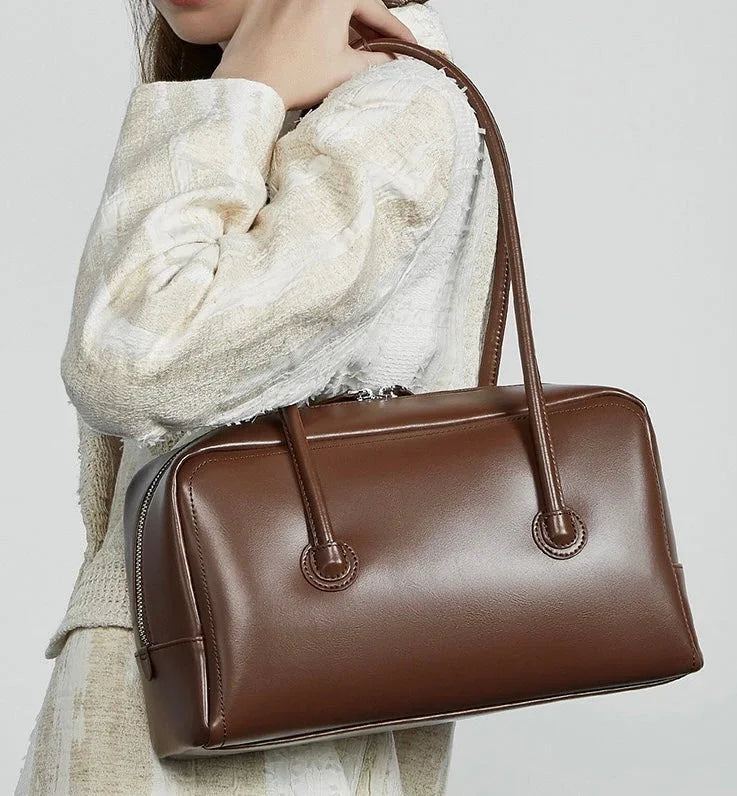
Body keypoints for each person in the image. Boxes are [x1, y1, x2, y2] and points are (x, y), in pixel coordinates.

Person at [16, 0, 498, 793]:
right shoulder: (334, 103)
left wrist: (242, 90)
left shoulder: (389, 110)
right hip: (224, 685)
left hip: (232, 706)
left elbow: (133, 358)